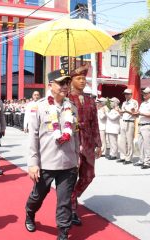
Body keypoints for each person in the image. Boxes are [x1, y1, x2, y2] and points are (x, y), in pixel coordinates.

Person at [25, 69, 79, 240]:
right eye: (61, 83)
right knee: (37, 195)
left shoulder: (72, 107)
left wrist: (76, 157)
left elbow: (76, 135)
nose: (65, 86)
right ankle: (29, 213)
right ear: (50, 85)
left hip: (68, 163)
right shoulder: (38, 107)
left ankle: (63, 232)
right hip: (46, 162)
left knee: (64, 201)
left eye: (67, 83)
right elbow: (33, 136)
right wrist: (33, 163)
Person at [68, 65, 101, 225]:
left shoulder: (90, 99)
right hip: (71, 142)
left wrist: (98, 144)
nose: (82, 81)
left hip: (87, 141)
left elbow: (95, 123)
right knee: (71, 176)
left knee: (89, 176)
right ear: (71, 80)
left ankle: (72, 196)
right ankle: (72, 209)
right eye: (78, 78)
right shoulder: (66, 99)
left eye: (84, 79)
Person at [133, 87, 150, 169]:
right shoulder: (143, 103)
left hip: (148, 125)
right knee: (140, 144)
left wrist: (141, 113)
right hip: (141, 125)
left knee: (147, 145)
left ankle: (147, 162)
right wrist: (135, 113)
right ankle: (141, 160)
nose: (144, 94)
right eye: (143, 93)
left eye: (146, 93)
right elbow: (139, 114)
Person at [118, 89, 138, 164]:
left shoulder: (134, 102)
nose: (126, 95)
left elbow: (135, 113)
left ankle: (129, 158)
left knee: (129, 141)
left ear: (131, 94)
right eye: (125, 94)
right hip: (123, 122)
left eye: (127, 94)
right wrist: (120, 112)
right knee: (122, 141)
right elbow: (122, 114)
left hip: (130, 122)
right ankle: (123, 156)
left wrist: (126, 111)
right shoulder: (124, 103)